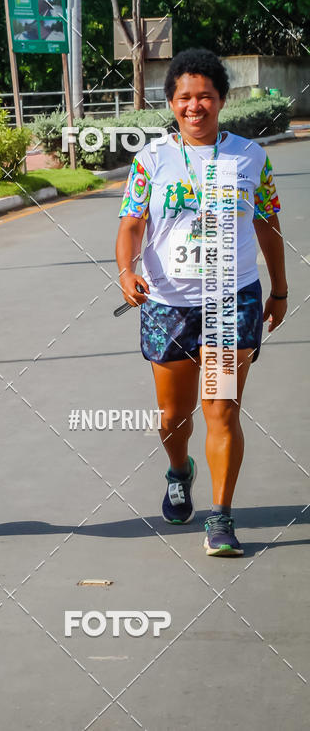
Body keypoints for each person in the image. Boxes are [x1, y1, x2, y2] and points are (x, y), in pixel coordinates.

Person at [116, 48, 287, 556]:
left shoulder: (251, 157)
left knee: (221, 409)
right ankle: (177, 470)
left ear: (222, 100)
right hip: (168, 303)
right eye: (185, 97)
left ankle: (221, 516)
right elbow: (130, 224)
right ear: (171, 102)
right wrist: (126, 271)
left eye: (206, 96)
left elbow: (267, 223)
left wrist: (278, 289)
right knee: (174, 416)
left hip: (230, 299)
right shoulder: (150, 159)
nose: (196, 107)